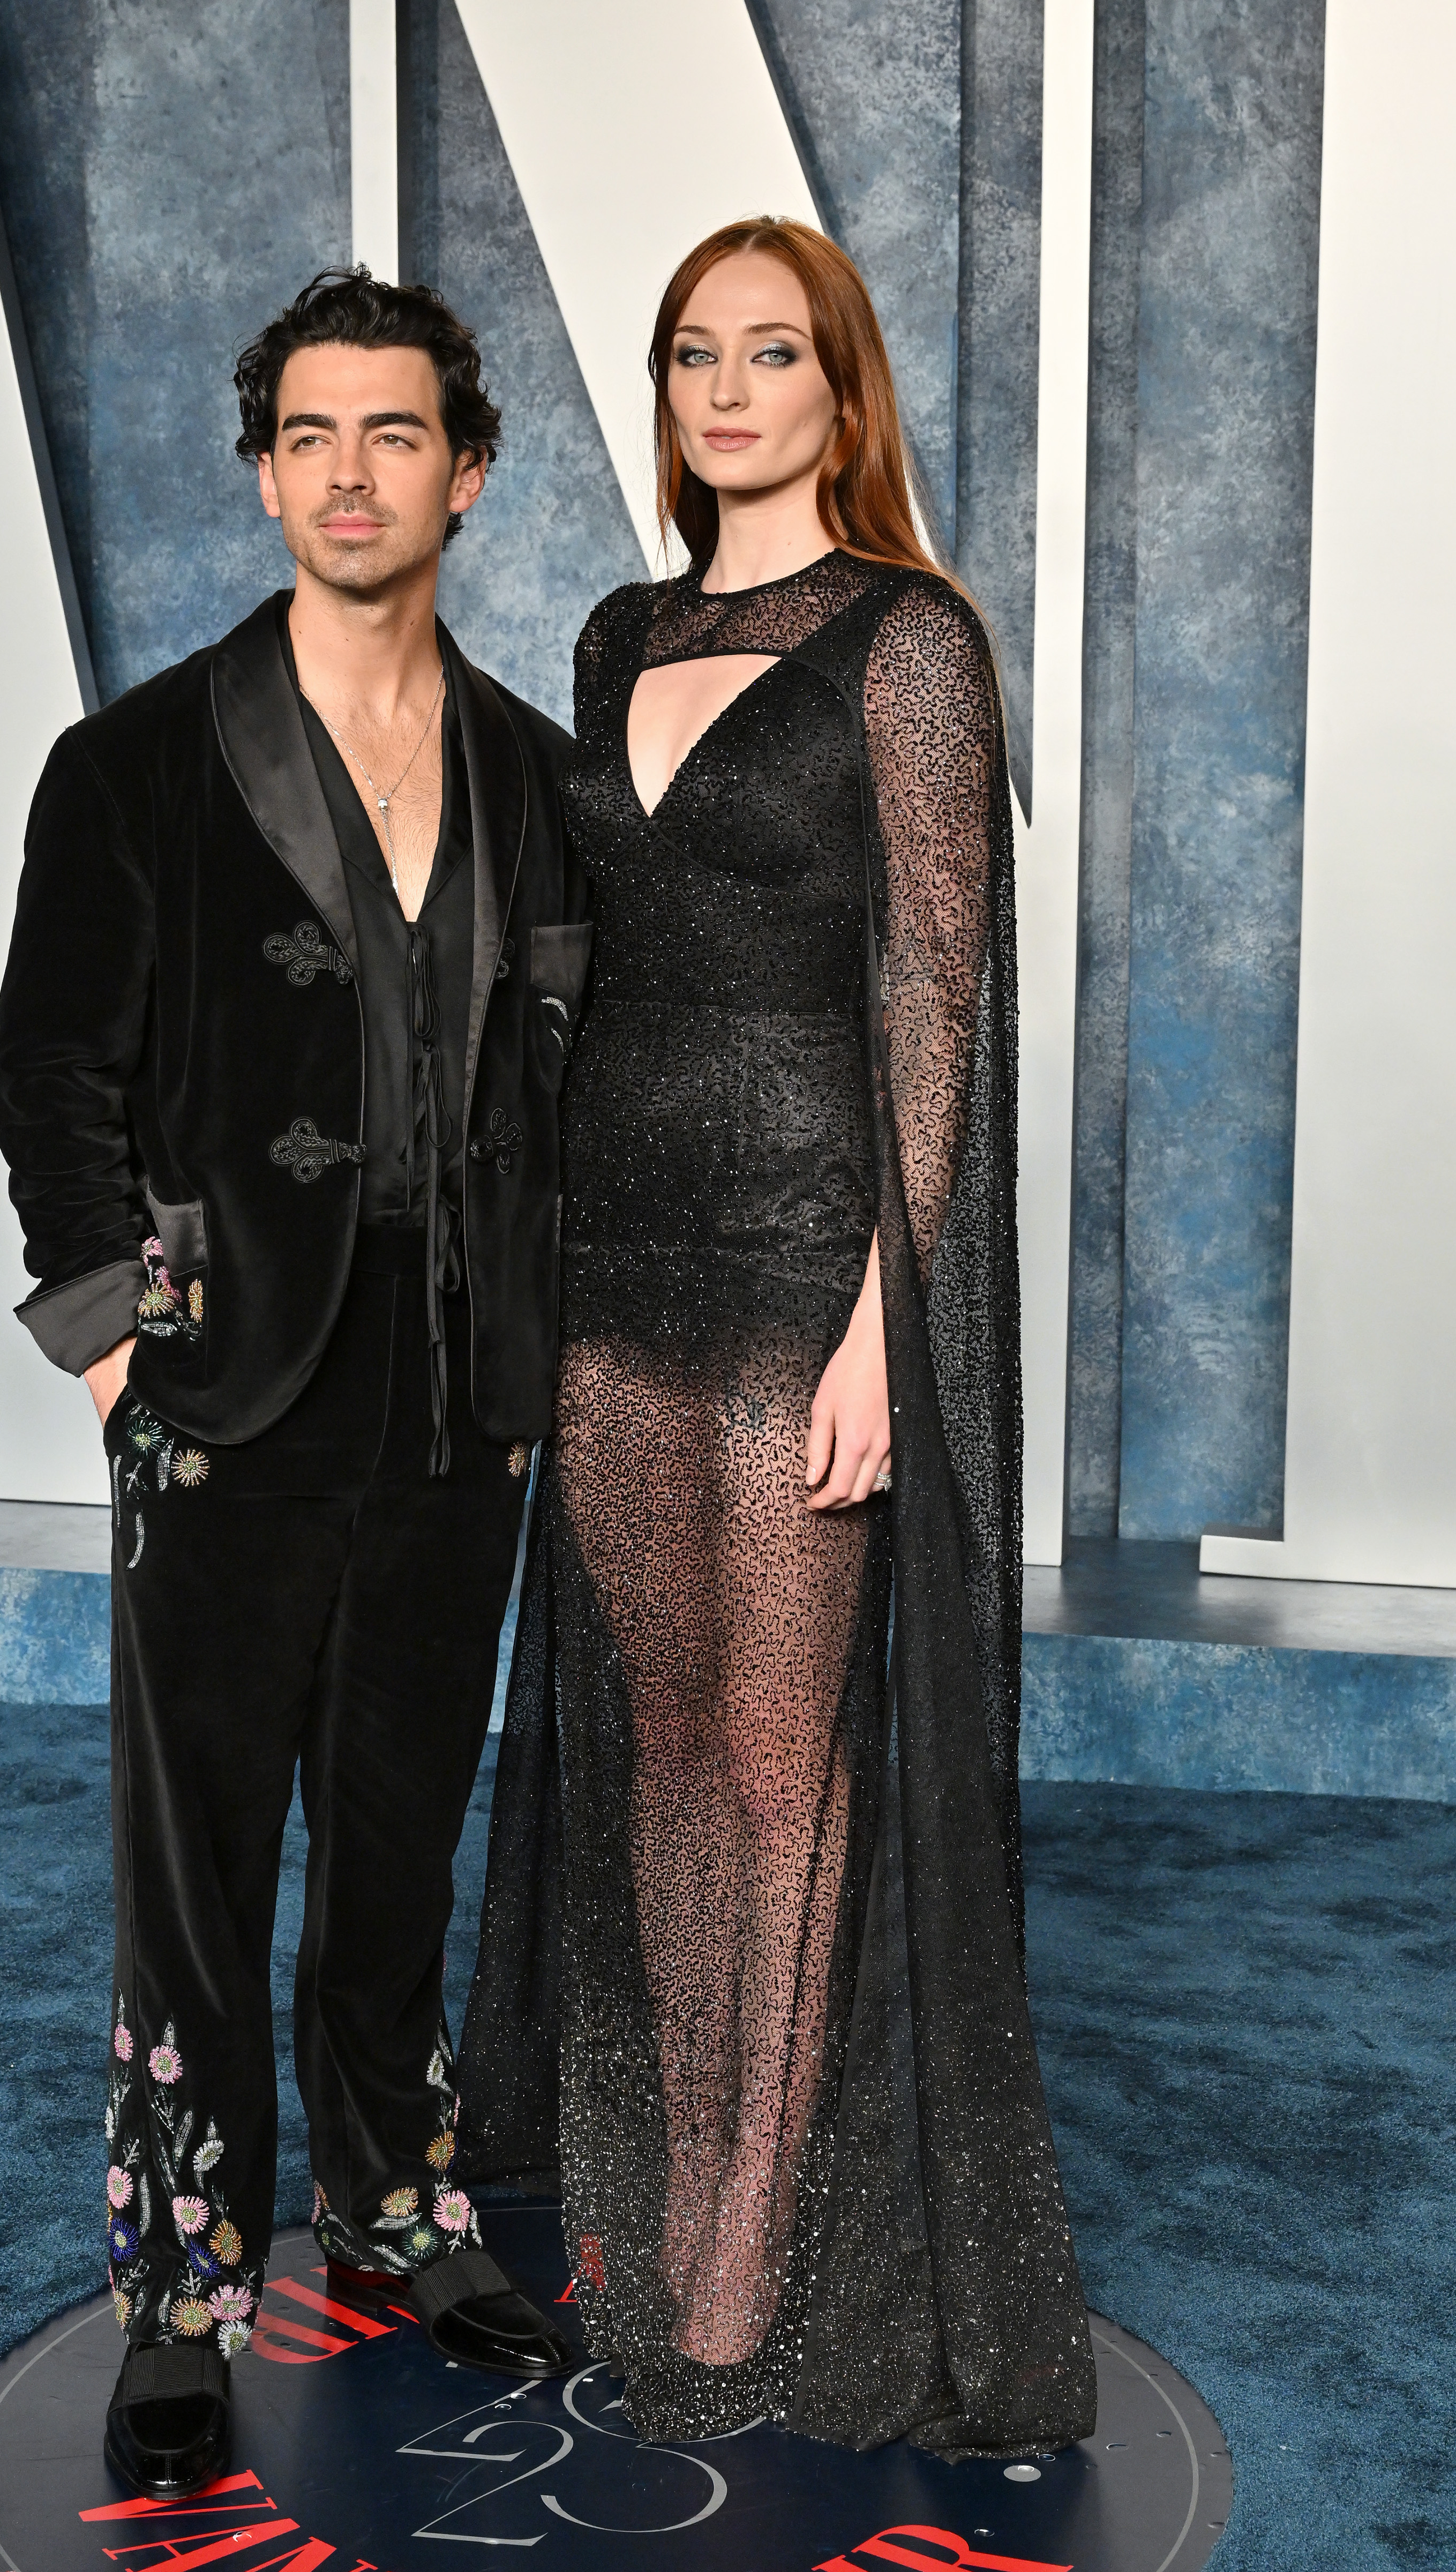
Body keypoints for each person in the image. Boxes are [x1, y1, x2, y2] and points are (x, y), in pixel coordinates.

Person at [459, 218, 1098, 2458]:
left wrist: (880, 1332)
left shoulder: (908, 644)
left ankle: (743, 2222)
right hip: (618, 1272)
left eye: (769, 353)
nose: (725, 391)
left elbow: (934, 1002)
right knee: (656, 1741)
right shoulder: (615, 627)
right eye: (689, 356)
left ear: (840, 387)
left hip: (804, 1265)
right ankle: (668, 2154)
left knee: (779, 1759)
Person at [0, 267, 589, 2502]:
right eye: (311, 436)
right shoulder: (132, 762)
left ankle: (403, 2206)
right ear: (265, 472)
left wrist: (540, 1355)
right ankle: (177, 2285)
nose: (351, 473)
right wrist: (120, 1339)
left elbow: (570, 1086)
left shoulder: (537, 776)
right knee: (197, 1855)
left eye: (395, 433)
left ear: (467, 467)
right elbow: (48, 1071)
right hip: (222, 1392)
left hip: (460, 1399)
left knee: (401, 1836)